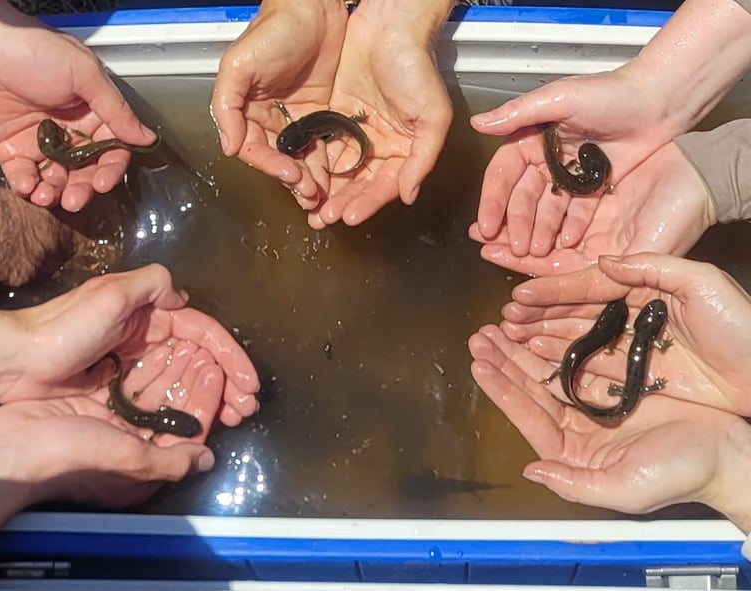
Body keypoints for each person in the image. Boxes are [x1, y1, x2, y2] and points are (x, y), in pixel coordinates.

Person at [468, 251, 751, 557]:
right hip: (629, 394)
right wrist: (727, 467)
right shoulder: (648, 340)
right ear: (650, 332)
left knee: (622, 389)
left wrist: (726, 467)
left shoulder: (640, 338)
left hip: (629, 395)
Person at [0, 263, 260, 543]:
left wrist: (19, 350)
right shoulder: (154, 418)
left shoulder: (157, 418)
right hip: (123, 406)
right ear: (168, 420)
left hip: (126, 407)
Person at [467, 0, 751, 274]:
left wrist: (719, 174)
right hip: (574, 178)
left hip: (569, 179)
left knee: (559, 180)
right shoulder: (595, 175)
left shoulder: (580, 175)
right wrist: (653, 92)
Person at [211, 0, 455, 229]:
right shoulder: (311, 130)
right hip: (344, 123)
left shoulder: (313, 131)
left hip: (345, 124)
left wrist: (404, 14)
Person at [0, 0, 157, 211]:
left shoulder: (51, 157)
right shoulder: (58, 149)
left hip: (74, 153)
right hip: (78, 152)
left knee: (111, 149)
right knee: (112, 147)